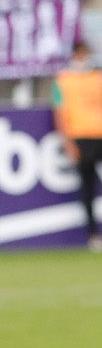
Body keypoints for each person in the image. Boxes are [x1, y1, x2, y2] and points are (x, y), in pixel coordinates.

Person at [51, 38, 102, 251]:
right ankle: (93, 235)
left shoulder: (98, 77)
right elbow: (59, 112)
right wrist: (68, 142)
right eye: (81, 54)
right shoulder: (62, 80)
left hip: (100, 134)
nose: (84, 58)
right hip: (80, 137)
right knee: (87, 187)